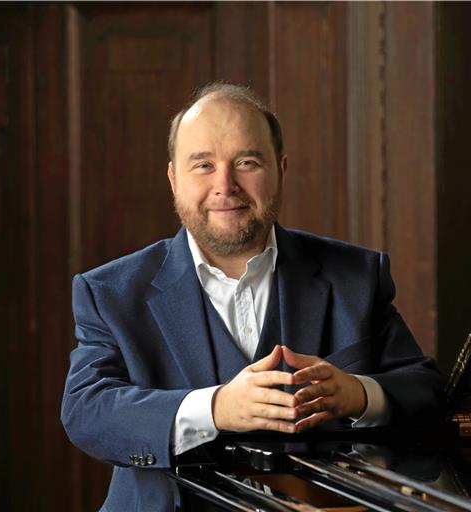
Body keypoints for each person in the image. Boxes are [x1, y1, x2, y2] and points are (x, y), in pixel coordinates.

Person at [61, 82, 444, 511]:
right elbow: (87, 410)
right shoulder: (109, 292)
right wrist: (216, 408)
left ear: (280, 169)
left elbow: (425, 391)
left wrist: (358, 394)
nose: (226, 184)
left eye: (246, 162)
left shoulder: (356, 276)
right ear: (173, 179)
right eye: (203, 165)